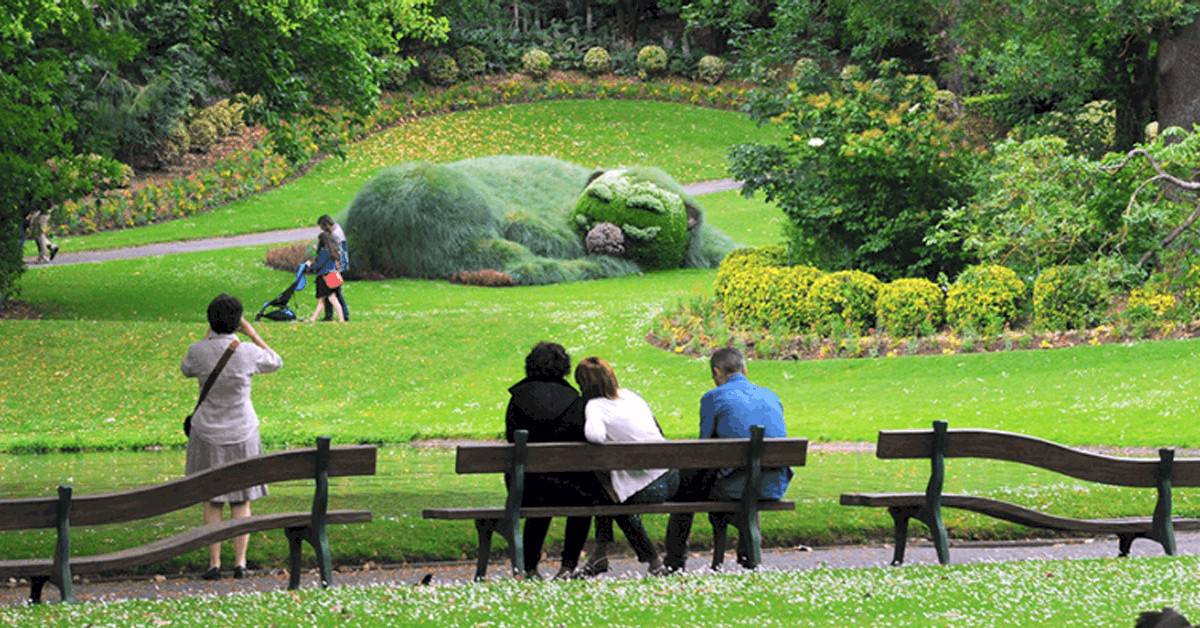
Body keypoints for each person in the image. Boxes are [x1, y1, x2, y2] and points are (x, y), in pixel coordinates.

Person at [662, 347, 793, 573]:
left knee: (683, 491)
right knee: (748, 476)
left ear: (717, 372)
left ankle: (674, 561)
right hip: (773, 484)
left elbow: (705, 449)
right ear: (745, 369)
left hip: (735, 487)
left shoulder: (713, 398)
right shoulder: (771, 395)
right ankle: (749, 555)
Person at [181, 294, 283, 580]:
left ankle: (214, 564)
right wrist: (252, 333)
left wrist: (207, 336)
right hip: (242, 431)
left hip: (207, 433)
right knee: (241, 500)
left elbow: (186, 368)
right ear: (238, 321)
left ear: (210, 320)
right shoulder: (248, 351)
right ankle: (240, 563)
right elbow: (276, 361)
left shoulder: (197, 350)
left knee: (213, 500)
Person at [575, 357, 679, 577]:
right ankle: (599, 556)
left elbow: (594, 436)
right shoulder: (631, 395)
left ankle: (653, 561)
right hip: (671, 476)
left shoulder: (596, 405)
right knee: (607, 494)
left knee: (614, 504)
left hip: (650, 486)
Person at [505, 341, 599, 579]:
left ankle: (529, 566)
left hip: (526, 489)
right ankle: (568, 566)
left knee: (539, 489)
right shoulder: (575, 401)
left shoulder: (517, 399)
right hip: (570, 488)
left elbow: (510, 436)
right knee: (581, 496)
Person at [306, 231, 345, 323]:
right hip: (332, 277)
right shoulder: (332, 251)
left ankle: (314, 319)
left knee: (324, 300)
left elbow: (318, 265)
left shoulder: (324, 252)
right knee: (331, 299)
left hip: (324, 278)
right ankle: (341, 318)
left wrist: (309, 265)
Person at [317, 215, 349, 322]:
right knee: (329, 292)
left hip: (335, 268)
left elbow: (336, 252)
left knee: (336, 293)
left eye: (322, 227)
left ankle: (344, 315)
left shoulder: (336, 235)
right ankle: (329, 315)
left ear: (327, 225)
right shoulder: (336, 230)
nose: (322, 230)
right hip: (335, 267)